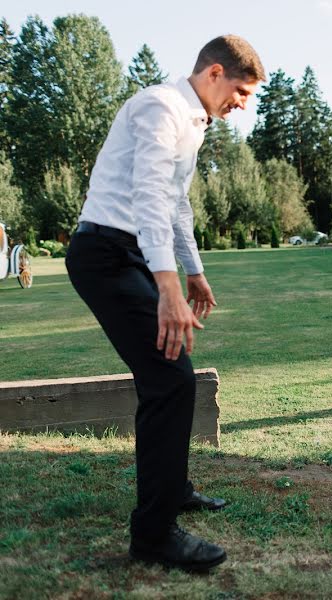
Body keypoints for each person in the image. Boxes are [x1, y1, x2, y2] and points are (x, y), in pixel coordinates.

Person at [65, 35, 265, 572]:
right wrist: (169, 287)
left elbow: (176, 205)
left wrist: (194, 272)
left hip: (130, 252)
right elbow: (149, 194)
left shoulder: (193, 121)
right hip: (105, 252)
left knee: (173, 376)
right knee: (170, 380)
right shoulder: (161, 105)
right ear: (215, 72)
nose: (243, 104)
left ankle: (173, 489)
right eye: (242, 92)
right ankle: (153, 536)